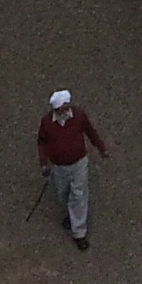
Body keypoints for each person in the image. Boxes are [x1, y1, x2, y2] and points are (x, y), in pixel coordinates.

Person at [36, 89, 109, 249]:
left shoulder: (79, 115)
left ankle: (79, 232)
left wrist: (101, 148)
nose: (67, 109)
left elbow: (91, 132)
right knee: (64, 193)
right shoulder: (47, 123)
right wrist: (44, 163)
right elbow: (42, 142)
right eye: (63, 107)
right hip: (59, 166)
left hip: (78, 163)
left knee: (78, 195)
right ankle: (72, 215)